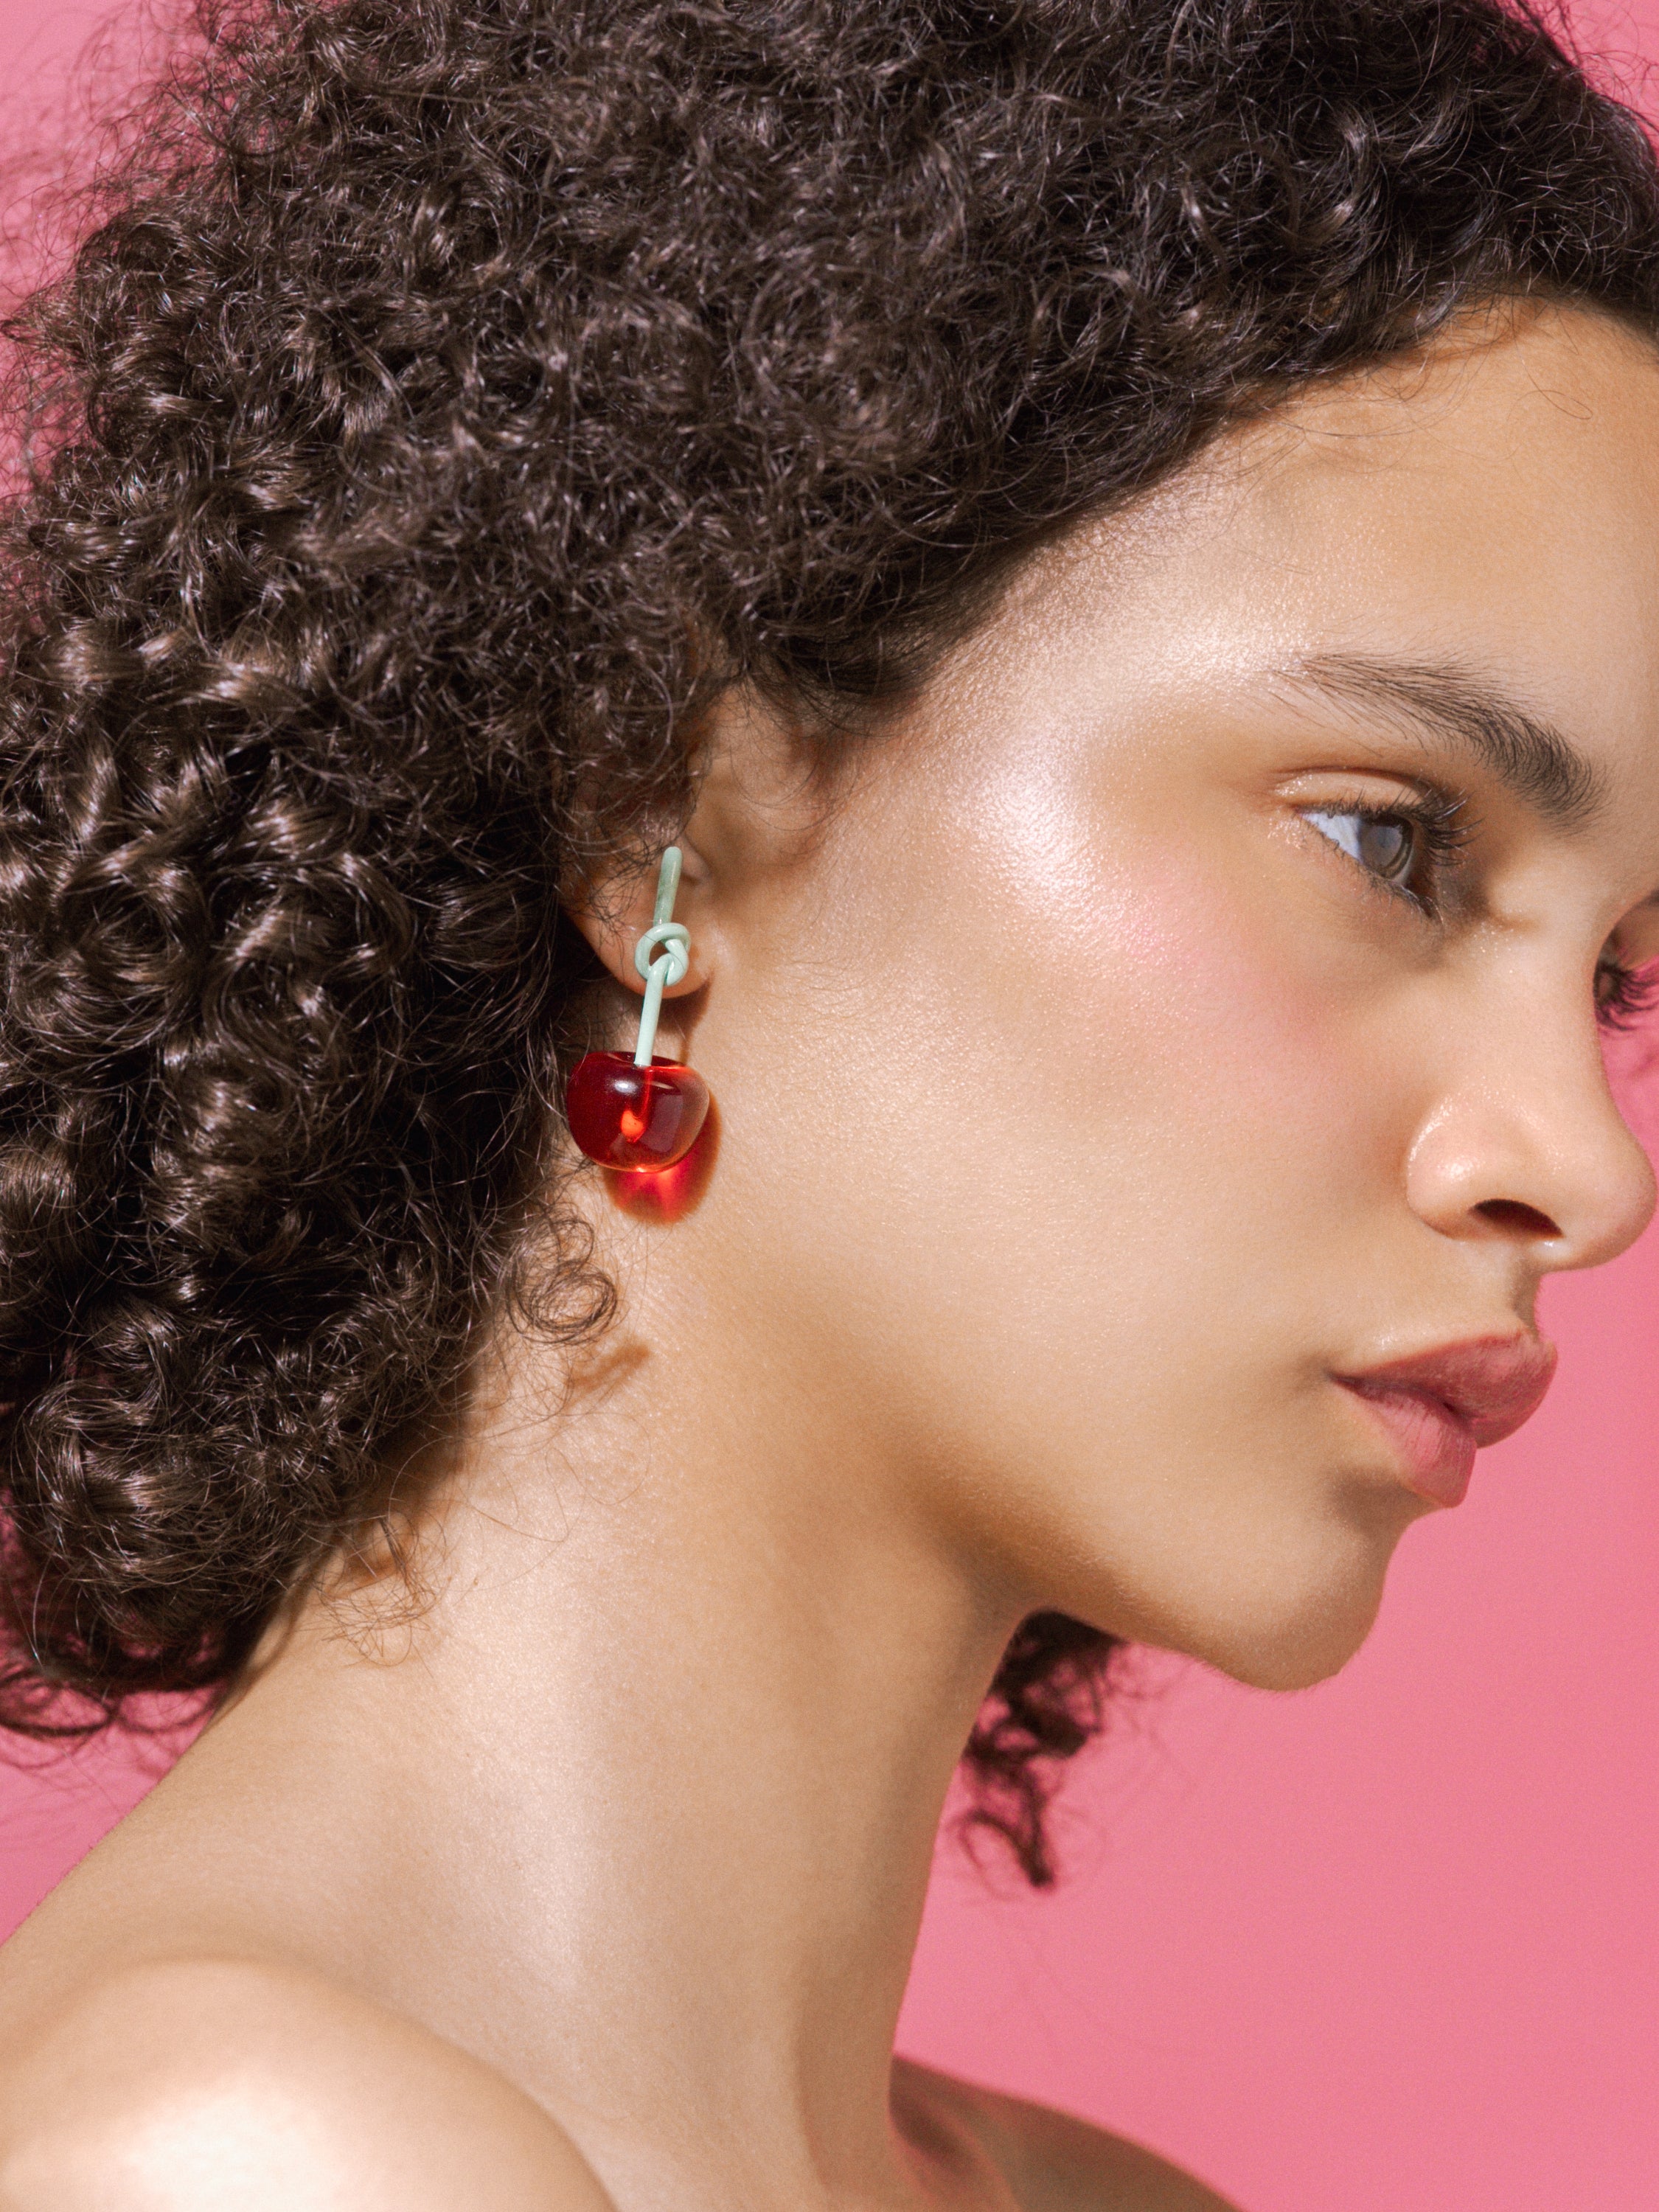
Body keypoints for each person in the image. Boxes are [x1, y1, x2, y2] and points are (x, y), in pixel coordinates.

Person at [0, 0, 1657, 2204]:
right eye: (1389, 841)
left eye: (1621, 970)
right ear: (659, 798)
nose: (1585, 1165)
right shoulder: (255, 2166)